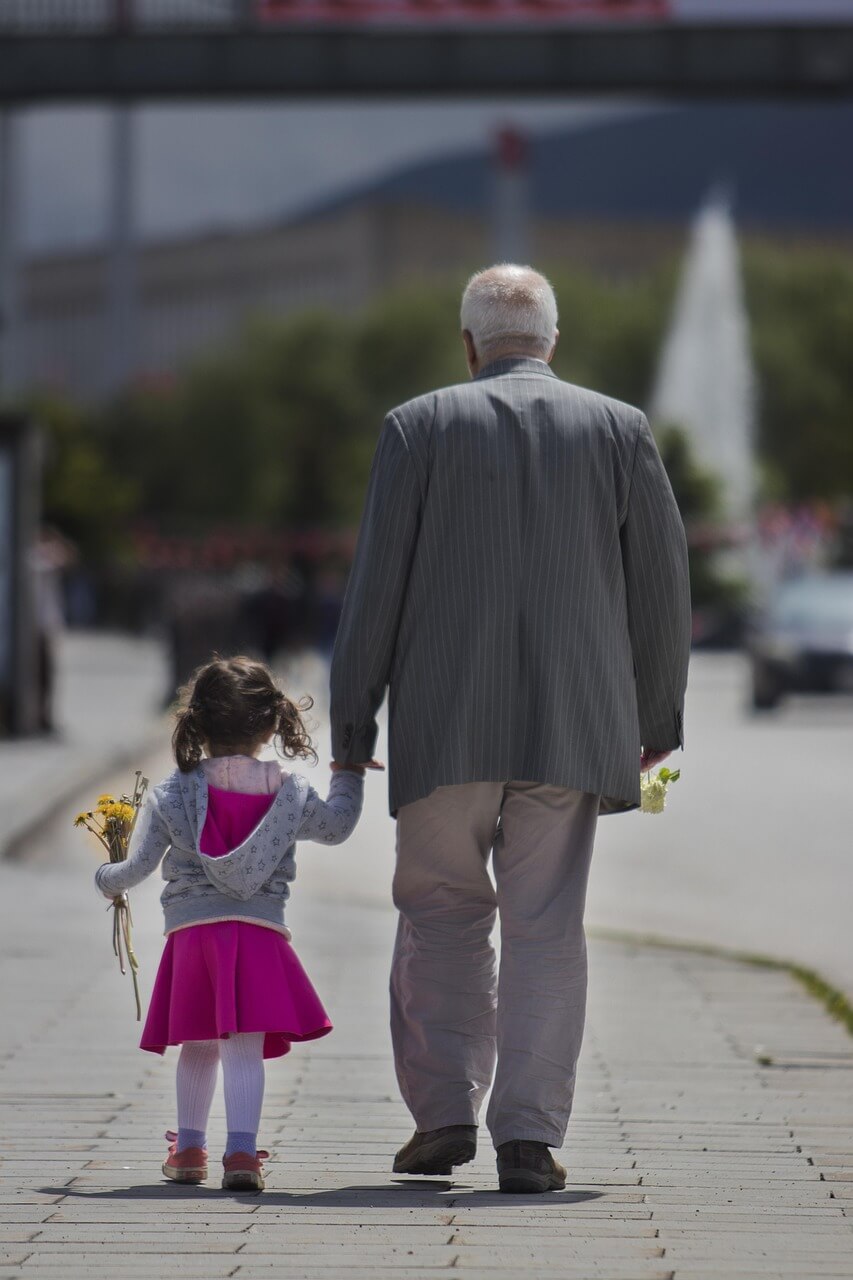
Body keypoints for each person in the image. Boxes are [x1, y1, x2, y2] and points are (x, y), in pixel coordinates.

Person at [330, 264, 691, 1194]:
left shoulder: (417, 427)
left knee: (441, 916)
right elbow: (659, 587)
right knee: (546, 927)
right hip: (574, 729)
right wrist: (654, 721)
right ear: (552, 342)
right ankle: (528, 1137)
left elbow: (376, 591)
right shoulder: (620, 430)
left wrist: (350, 723)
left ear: (467, 344)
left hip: (444, 726)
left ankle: (444, 1113)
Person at [94, 655, 364, 1192]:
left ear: (197, 723)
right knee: (244, 1049)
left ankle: (189, 1150)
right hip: (258, 934)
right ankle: (242, 1155)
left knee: (198, 1044)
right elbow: (336, 827)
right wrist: (348, 775)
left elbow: (138, 867)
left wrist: (107, 878)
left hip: (193, 937)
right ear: (270, 724)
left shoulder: (173, 794)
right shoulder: (289, 794)